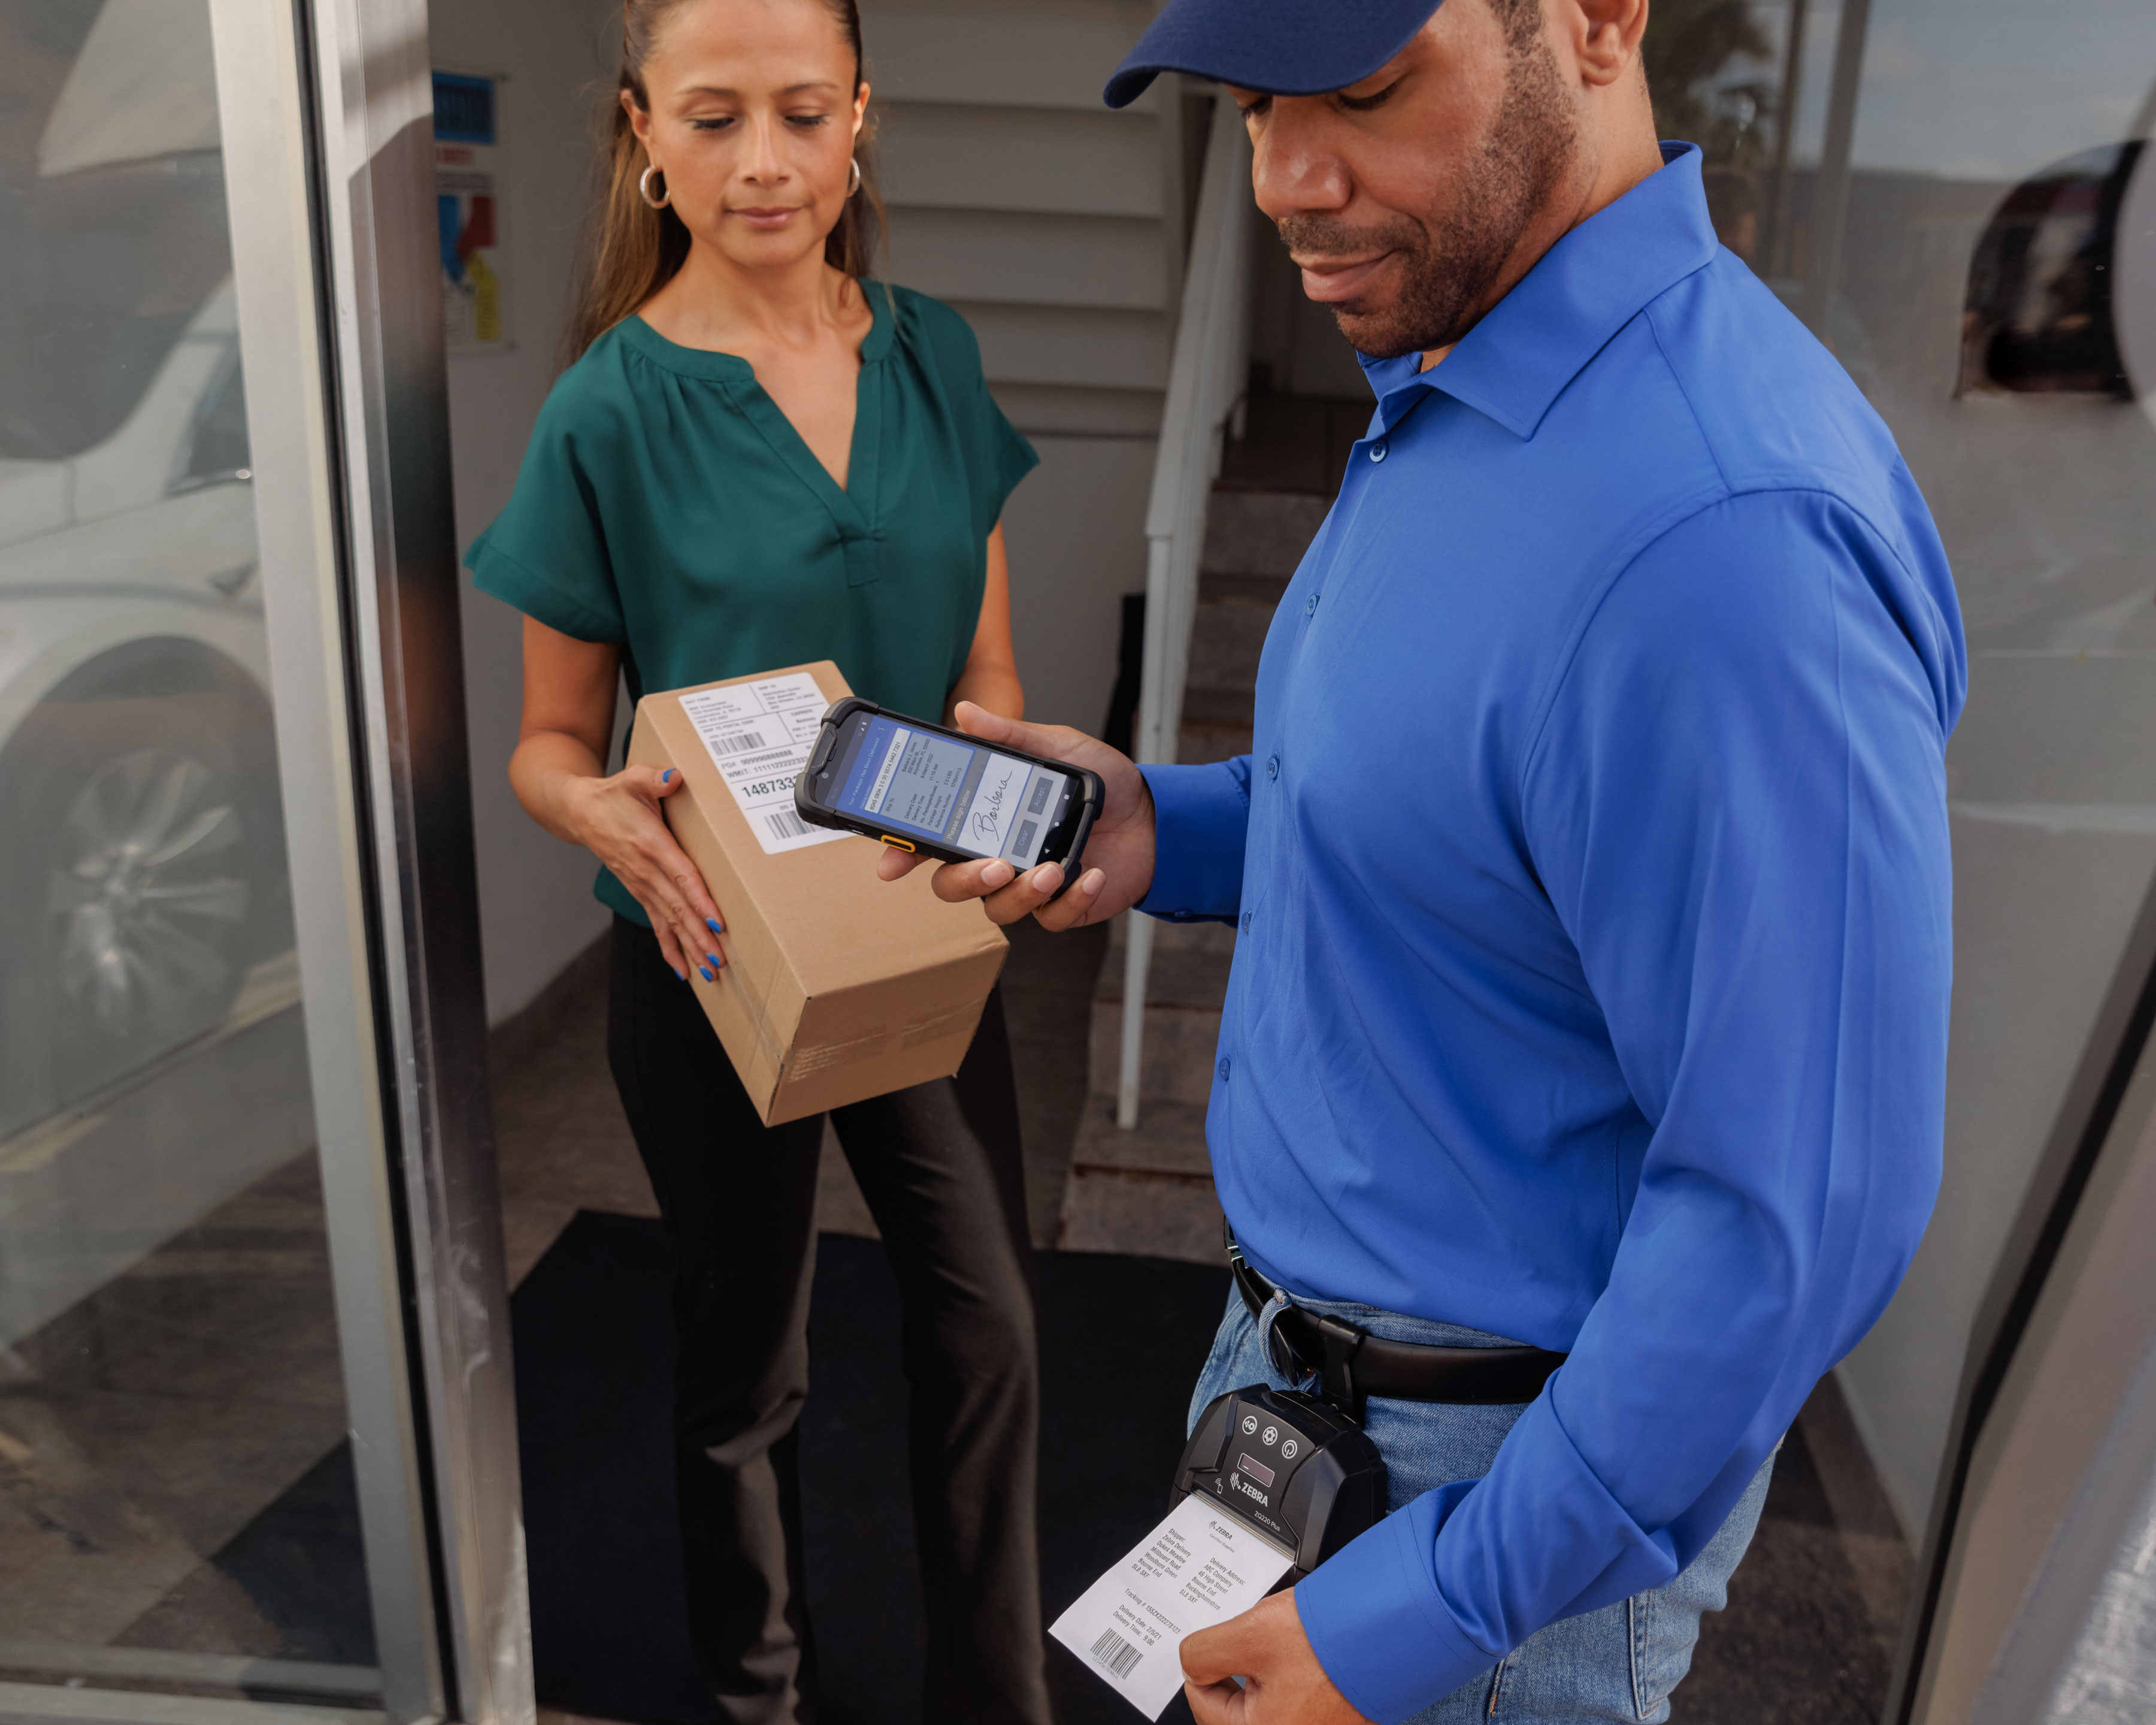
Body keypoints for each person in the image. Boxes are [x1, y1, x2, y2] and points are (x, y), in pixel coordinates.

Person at [886, 0, 1965, 1720]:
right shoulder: (1460, 372)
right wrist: (1170, 825)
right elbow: (1445, 820)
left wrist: (1426, 1610)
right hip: (1307, 1398)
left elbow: (1796, 1220)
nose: (1287, 178)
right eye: (1249, 106)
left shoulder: (1726, 540)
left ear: (1602, 20)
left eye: (1368, 89)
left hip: (1488, 1518)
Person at [465, 2, 1050, 1720]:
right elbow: (549, 745)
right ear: (645, 134)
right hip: (709, 952)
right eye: (714, 120)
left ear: (860, 117)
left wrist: (1004, 767)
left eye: (801, 113)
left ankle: (992, 1701)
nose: (764, 163)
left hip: (919, 930)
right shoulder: (607, 410)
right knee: (747, 1371)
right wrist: (596, 815)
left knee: (994, 1328)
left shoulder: (935, 353)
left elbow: (989, 679)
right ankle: (758, 1701)